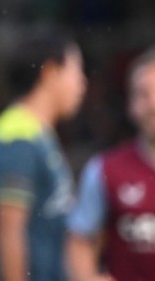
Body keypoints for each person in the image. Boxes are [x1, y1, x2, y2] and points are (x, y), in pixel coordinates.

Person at [0, 26, 88, 281]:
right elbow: (9, 232)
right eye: (77, 70)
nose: (82, 82)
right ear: (50, 72)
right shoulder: (18, 138)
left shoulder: (38, 135)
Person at [65, 47, 155, 281]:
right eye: (143, 94)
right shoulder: (105, 170)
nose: (153, 104)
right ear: (130, 105)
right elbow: (80, 242)